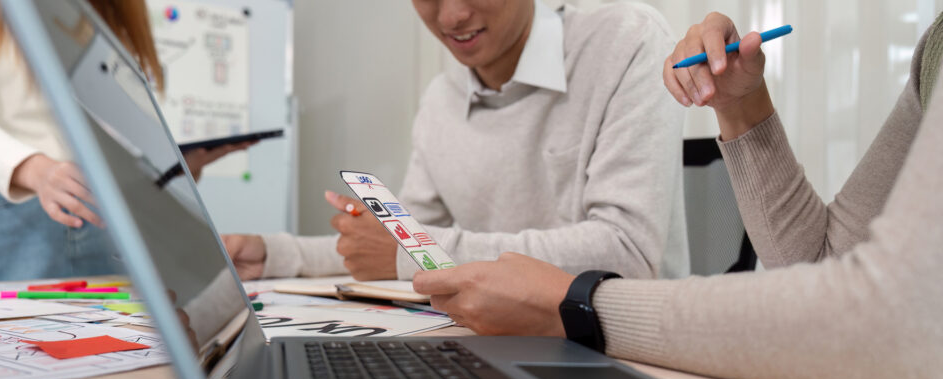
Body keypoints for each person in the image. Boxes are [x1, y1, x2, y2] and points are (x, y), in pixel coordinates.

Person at [412, 11, 943, 379]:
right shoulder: (935, 47)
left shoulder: (624, 39)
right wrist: (739, 105)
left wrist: (581, 304)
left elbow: (894, 319)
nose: (452, 14)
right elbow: (822, 269)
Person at [223, 0, 689, 283]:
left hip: (621, 354)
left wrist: (413, 253)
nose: (451, 16)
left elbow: (628, 254)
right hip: (497, 344)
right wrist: (278, 254)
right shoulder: (441, 101)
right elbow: (399, 240)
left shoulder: (626, 42)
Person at [0, 0, 248, 284]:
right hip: (5, 214)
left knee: (115, 354)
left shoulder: (107, 9)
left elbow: (113, 126)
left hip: (101, 213)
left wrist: (167, 169)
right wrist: (37, 170)